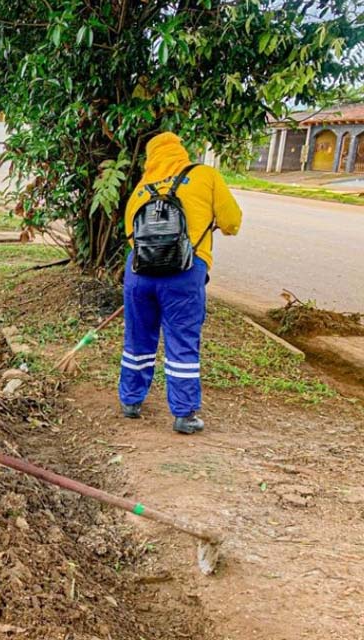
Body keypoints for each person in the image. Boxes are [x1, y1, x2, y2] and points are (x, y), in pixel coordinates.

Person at [119, 132, 242, 434]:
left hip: (139, 274)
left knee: (137, 337)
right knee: (183, 340)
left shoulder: (141, 189)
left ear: (151, 157)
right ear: (179, 150)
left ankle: (131, 401)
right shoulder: (205, 176)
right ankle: (184, 414)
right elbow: (232, 222)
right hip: (184, 273)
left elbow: (130, 235)